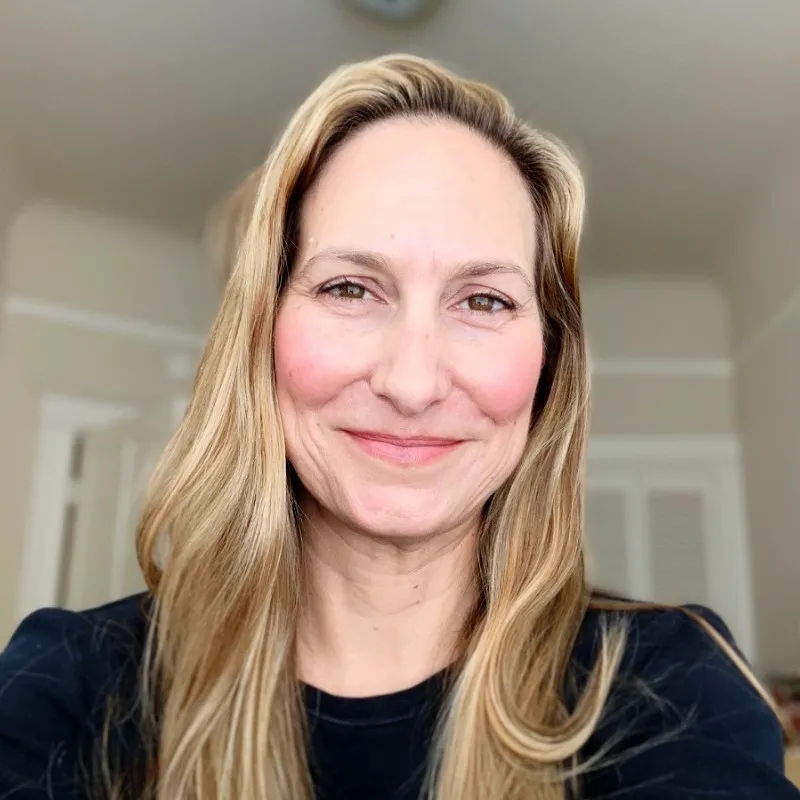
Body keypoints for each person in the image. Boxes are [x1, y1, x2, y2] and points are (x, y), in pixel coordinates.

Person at [0, 54, 796, 800]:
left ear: (551, 364)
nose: (411, 383)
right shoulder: (69, 685)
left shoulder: (674, 688)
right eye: (350, 288)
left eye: (484, 301)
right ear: (261, 334)